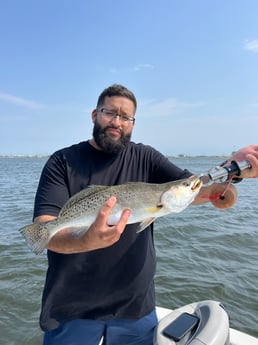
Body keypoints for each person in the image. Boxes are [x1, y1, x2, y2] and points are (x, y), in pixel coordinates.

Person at [33, 84, 258, 345]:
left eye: (125, 117)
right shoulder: (62, 161)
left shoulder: (146, 157)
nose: (117, 122)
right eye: (110, 113)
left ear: (133, 123)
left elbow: (213, 196)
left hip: (135, 308)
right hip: (70, 309)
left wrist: (233, 172)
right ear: (94, 115)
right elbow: (45, 228)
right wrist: (84, 242)